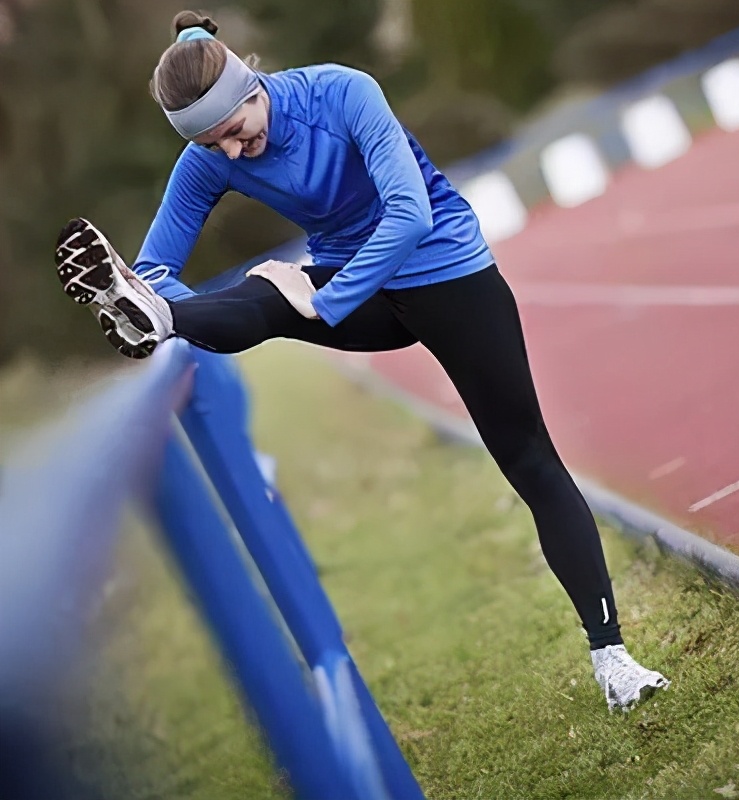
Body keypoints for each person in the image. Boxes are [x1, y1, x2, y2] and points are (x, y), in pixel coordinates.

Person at [52, 10, 669, 711]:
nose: (228, 153)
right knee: (256, 295)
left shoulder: (342, 92)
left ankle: (612, 656)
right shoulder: (208, 159)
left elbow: (410, 212)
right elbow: (156, 265)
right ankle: (160, 325)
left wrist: (324, 298)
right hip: (357, 289)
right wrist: (154, 294)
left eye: (232, 130)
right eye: (209, 143)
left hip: (446, 274)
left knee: (529, 459)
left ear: (251, 86)